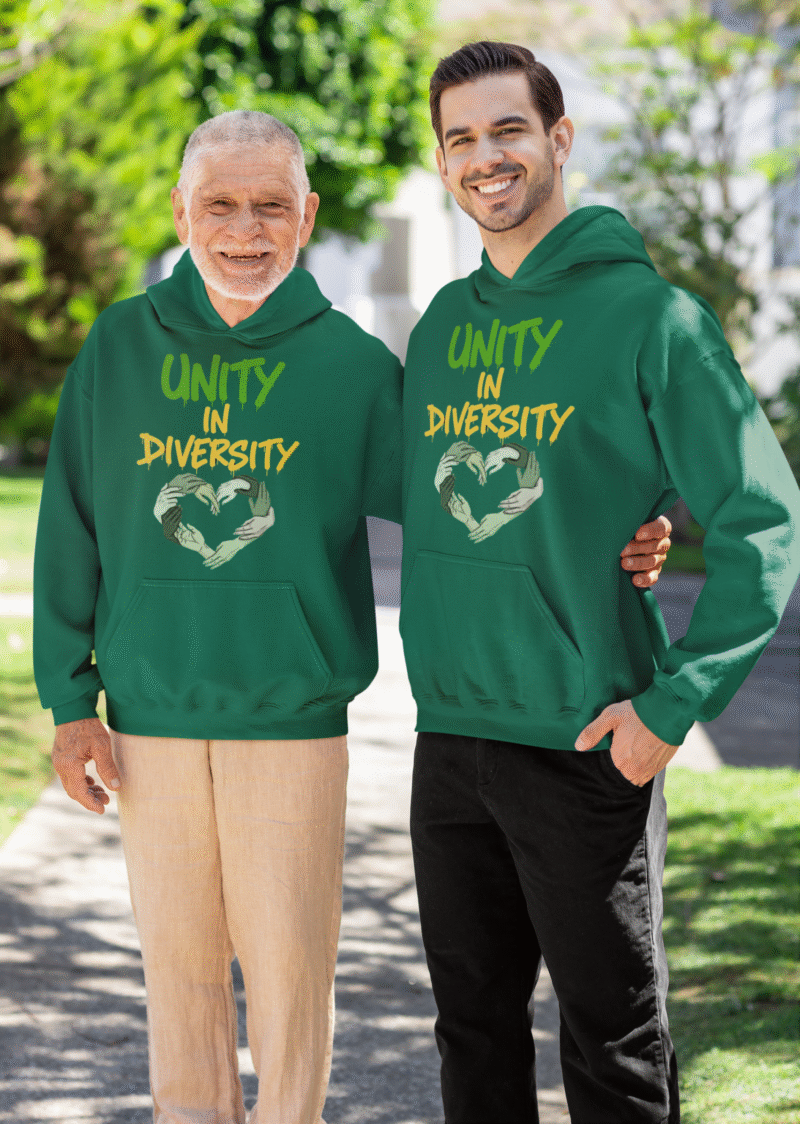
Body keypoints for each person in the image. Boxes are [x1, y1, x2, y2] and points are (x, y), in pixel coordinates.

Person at [33, 108, 670, 1124]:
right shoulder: (118, 350)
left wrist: (621, 534)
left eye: (270, 206)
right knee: (178, 985)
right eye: (220, 205)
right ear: (181, 212)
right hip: (146, 723)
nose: (244, 231)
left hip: (291, 727)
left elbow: (469, 511)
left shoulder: (354, 367)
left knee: (291, 987)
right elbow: (68, 528)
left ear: (306, 215)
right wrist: (70, 701)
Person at [399, 41, 800, 1124]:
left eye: (507, 129)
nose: (486, 156)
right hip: (451, 741)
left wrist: (670, 709)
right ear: (442, 163)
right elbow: (411, 492)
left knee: (611, 1044)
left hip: (586, 743)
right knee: (470, 1033)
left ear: (557, 138)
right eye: (461, 139)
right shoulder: (441, 325)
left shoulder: (653, 322)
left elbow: (764, 519)